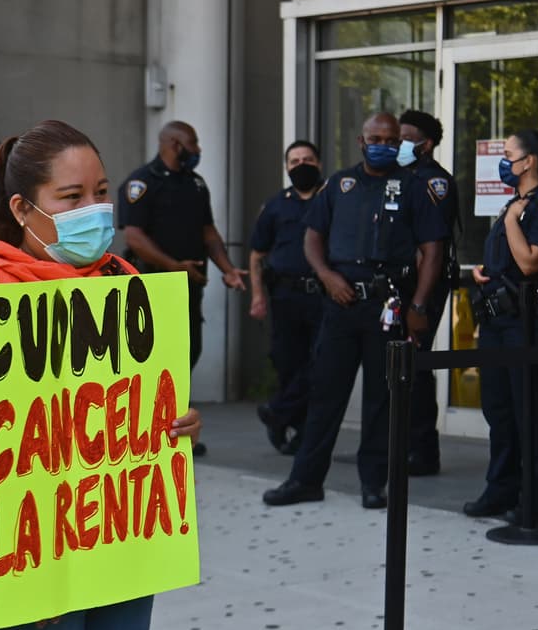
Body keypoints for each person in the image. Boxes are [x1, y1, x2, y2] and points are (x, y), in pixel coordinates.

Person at [0, 119, 203, 630]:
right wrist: (30, 579)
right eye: (72, 196)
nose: (95, 209)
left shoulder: (125, 286)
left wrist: (175, 425)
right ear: (22, 209)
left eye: (101, 192)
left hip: (118, 556)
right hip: (19, 574)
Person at [262, 112, 449, 509]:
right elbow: (312, 237)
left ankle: (373, 483)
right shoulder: (339, 185)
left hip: (388, 306)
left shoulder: (414, 187)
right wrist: (326, 275)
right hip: (340, 304)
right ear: (362, 142)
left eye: (391, 140)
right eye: (375, 139)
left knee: (381, 399)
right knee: (325, 394)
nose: (383, 145)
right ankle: (305, 480)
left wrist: (419, 305)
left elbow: (433, 251)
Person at [119, 120, 247, 457]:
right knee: (149, 363)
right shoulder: (141, 183)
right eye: (194, 144)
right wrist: (174, 266)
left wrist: (228, 269)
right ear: (175, 144)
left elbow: (209, 232)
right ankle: (141, 435)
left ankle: (175, 431)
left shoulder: (195, 184)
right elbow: (134, 236)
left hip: (188, 289)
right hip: (151, 289)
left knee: (185, 357)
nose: (198, 150)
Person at [465, 129, 538, 522]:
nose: (503, 162)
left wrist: (510, 221)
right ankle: (501, 489)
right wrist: (485, 271)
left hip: (526, 325)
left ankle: (535, 503)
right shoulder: (516, 203)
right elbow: (507, 262)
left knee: (530, 413)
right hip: (498, 321)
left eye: (509, 155)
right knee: (499, 409)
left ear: (529, 162)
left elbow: (530, 262)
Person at [248, 139, 324, 455]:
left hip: (324, 296)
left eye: (307, 159)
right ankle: (293, 428)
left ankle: (279, 412)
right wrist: (257, 296)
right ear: (287, 168)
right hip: (285, 296)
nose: (301, 165)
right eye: (295, 161)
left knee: (321, 364)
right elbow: (256, 256)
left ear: (319, 164)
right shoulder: (275, 206)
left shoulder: (332, 199)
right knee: (289, 365)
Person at [398, 109, 460, 476]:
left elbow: (431, 248)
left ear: (427, 143)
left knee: (415, 366)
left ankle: (422, 450)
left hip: (423, 286)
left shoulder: (434, 182)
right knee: (400, 366)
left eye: (406, 138)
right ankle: (401, 445)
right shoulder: (400, 177)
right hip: (401, 284)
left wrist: (419, 303)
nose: (399, 145)